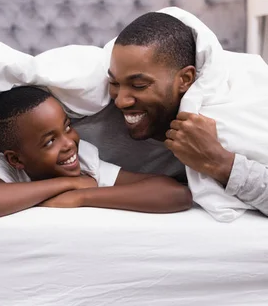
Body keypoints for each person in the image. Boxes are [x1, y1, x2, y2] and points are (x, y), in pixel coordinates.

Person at [108, 12, 268, 214]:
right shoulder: (90, 114)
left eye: (139, 85)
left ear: (185, 79)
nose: (121, 101)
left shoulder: (232, 113)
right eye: (114, 83)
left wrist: (220, 162)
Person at [0, 86, 192, 219]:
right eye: (49, 142)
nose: (69, 143)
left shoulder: (84, 159)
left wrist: (81, 197)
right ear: (16, 159)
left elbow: (176, 194)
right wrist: (69, 184)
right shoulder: (7, 167)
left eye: (67, 127)